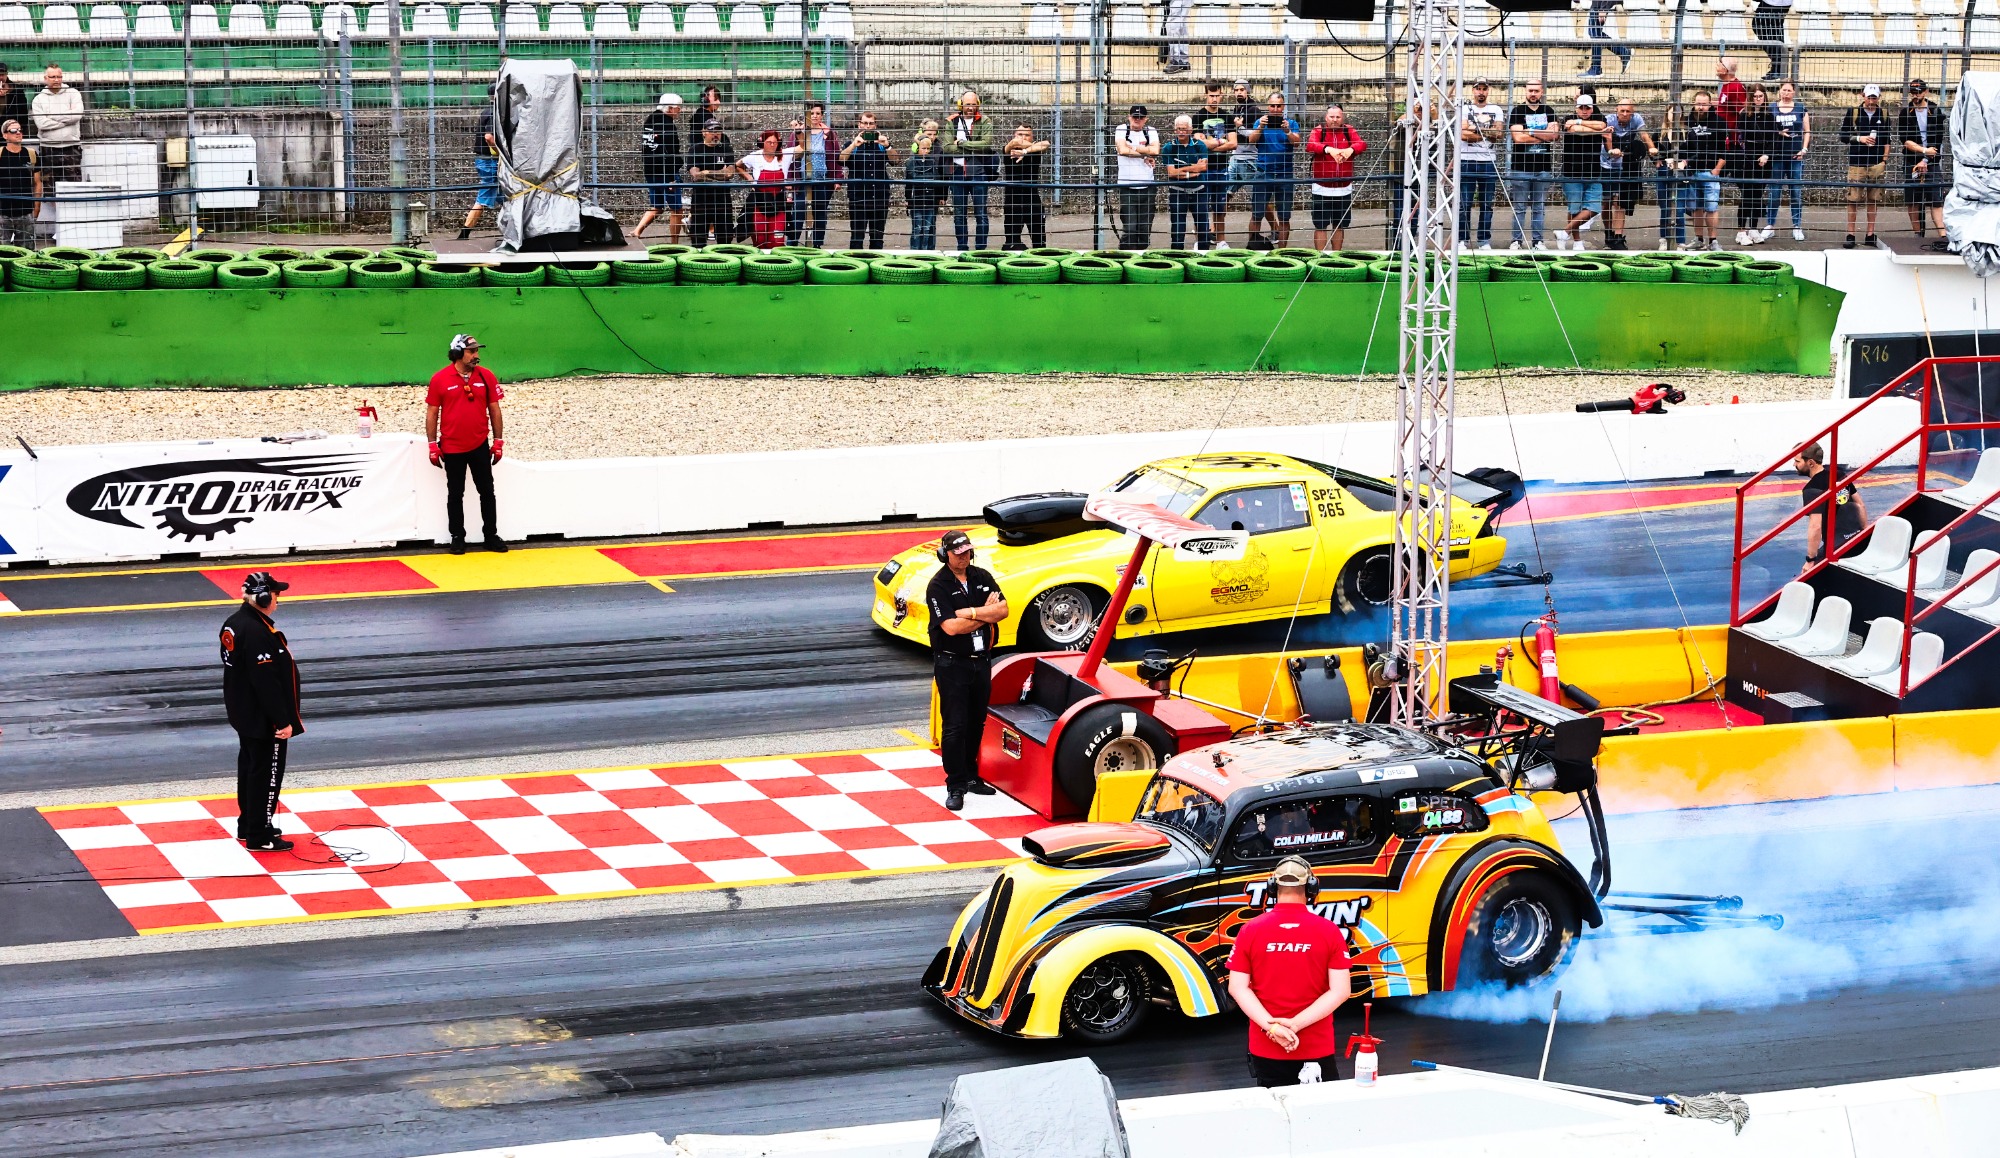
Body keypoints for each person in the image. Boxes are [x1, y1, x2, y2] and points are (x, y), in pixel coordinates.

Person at [1226, 856, 1352, 1088]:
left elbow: (1237, 988)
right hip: (1315, 1047)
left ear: (1272, 888)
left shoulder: (1250, 930)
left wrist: (1273, 1028)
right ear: (1311, 888)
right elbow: (1341, 991)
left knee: (1274, 1108)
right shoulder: (1329, 931)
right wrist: (1295, 1025)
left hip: (1267, 1046)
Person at [221, 571, 303, 853]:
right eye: (276, 594)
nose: (278, 599)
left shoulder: (235, 622)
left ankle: (249, 824)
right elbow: (266, 683)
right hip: (263, 719)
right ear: (264, 598)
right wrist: (282, 720)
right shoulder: (256, 632)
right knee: (266, 775)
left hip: (244, 713)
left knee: (250, 769)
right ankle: (260, 835)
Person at [927, 529, 1005, 812]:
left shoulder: (981, 576)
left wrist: (969, 613)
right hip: (952, 664)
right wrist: (984, 613)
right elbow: (950, 627)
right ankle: (955, 785)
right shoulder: (938, 585)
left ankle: (971, 776)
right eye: (958, 553)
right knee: (955, 726)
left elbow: (1003, 610)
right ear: (945, 555)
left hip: (981, 661)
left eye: (967, 552)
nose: (964, 557)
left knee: (976, 723)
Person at [426, 334, 507, 555]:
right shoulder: (440, 379)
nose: (476, 355)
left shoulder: (486, 376)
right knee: (455, 493)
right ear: (458, 353)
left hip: (479, 444)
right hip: (451, 447)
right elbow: (432, 412)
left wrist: (498, 441)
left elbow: (495, 409)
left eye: (476, 351)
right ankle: (457, 536)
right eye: (471, 351)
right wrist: (432, 445)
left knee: (487, 491)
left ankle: (490, 535)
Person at [1796, 441, 1867, 565]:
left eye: (1797, 461)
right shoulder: (1838, 474)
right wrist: (1864, 533)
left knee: (1809, 572)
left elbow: (1815, 526)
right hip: (1856, 538)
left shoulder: (1811, 489)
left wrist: (1810, 560)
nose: (1794, 464)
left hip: (1836, 546)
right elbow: (1860, 504)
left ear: (1810, 463)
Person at [1508, 80, 1559, 250]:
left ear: (1541, 92)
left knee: (1539, 207)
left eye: (1536, 91)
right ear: (1525, 91)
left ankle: (1538, 241)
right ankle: (1516, 241)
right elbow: (1518, 138)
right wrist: (1543, 135)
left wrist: (1529, 131)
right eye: (1530, 90)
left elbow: (1554, 135)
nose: (1533, 94)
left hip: (1543, 168)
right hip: (1520, 168)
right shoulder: (1517, 111)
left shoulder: (1549, 111)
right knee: (1519, 208)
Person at [1245, 93, 1300, 248]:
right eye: (1272, 105)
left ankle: (1281, 252)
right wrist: (1261, 127)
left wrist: (1287, 131)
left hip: (1285, 174)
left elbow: (1297, 142)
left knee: (1284, 217)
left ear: (1283, 107)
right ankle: (1253, 249)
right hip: (1264, 172)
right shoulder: (1260, 122)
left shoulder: (1291, 123)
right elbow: (1251, 141)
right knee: (1257, 214)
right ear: (1268, 106)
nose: (1275, 109)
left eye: (1278, 106)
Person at [1305, 105, 1363, 252]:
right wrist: (1328, 149)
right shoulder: (1319, 131)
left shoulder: (1349, 130)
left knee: (1339, 224)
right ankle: (1320, 256)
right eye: (1332, 117)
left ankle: (1336, 255)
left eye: (1338, 117)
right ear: (1326, 117)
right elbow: (1310, 145)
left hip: (1344, 187)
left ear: (1342, 118)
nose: (1335, 120)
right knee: (1320, 225)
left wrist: (1350, 149)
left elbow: (1361, 144)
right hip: (1321, 187)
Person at [944, 90, 995, 252]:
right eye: (967, 104)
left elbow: (986, 144)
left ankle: (980, 249)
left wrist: (961, 143)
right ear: (961, 105)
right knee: (959, 213)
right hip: (957, 172)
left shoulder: (985, 121)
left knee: (981, 213)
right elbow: (947, 148)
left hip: (978, 172)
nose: (971, 108)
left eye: (973, 104)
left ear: (978, 104)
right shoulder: (952, 121)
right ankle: (962, 247)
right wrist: (973, 147)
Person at [1555, 92, 1607, 251]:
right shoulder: (1568, 118)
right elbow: (1575, 130)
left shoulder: (1600, 118)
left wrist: (1580, 123)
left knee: (1595, 208)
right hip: (1572, 171)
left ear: (1592, 108)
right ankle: (1577, 241)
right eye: (1581, 108)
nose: (1584, 111)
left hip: (1593, 171)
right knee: (1574, 208)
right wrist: (1596, 131)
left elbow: (1601, 126)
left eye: (1587, 108)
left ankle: (1565, 232)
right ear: (1576, 108)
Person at [1601, 98, 1655, 251]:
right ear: (1616, 110)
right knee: (1606, 202)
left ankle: (1618, 237)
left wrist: (1651, 148)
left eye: (1628, 111)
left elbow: (1644, 135)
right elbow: (1607, 138)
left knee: (1620, 201)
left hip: (1625, 166)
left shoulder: (1636, 119)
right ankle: (1609, 234)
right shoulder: (1608, 120)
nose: (1625, 114)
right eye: (1622, 111)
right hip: (1607, 164)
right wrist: (1611, 151)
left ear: (1633, 112)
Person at [1840, 84, 1890, 249]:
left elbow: (1887, 139)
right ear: (1863, 96)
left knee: (1873, 199)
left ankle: (1870, 234)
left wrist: (1884, 161)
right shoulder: (1853, 112)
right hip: (1857, 163)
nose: (1871, 101)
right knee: (1853, 199)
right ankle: (1851, 234)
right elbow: (1843, 136)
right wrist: (1859, 138)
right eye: (1869, 97)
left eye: (1874, 98)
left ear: (1878, 98)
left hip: (1876, 163)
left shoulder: (1883, 114)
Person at [787, 102, 842, 248]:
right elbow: (789, 156)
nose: (815, 116)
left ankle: (817, 245)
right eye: (811, 113)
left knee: (820, 213)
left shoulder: (829, 134)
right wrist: (790, 179)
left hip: (821, 180)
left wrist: (837, 178)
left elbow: (835, 156)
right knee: (798, 213)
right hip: (802, 181)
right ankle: (792, 244)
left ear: (822, 115)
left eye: (818, 113)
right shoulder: (797, 133)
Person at [1459, 78, 1505, 251]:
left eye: (1484, 89)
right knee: (1465, 202)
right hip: (1467, 160)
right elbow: (1463, 135)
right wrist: (1487, 132)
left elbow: (1498, 134)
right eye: (1478, 88)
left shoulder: (1496, 109)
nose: (1481, 92)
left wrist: (1474, 129)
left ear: (1488, 90)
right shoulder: (1464, 109)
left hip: (1488, 161)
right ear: (1473, 90)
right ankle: (1462, 239)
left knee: (1487, 203)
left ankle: (1484, 240)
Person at [1900, 78, 1946, 243]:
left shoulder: (1935, 111)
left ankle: (1943, 235)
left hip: (1931, 162)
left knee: (1935, 200)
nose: (1915, 95)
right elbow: (1905, 140)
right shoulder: (1906, 113)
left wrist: (1925, 159)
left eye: (1918, 92)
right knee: (1913, 201)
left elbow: (1937, 141)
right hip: (1912, 161)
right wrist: (1924, 151)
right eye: (1913, 92)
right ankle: (1918, 235)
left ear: (1925, 92)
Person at [634, 92, 683, 241]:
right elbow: (671, 152)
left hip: (650, 170)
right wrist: (672, 177)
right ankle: (675, 243)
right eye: (678, 107)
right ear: (670, 108)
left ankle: (637, 230)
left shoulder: (650, 120)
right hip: (666, 173)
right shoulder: (668, 125)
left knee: (657, 206)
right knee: (676, 208)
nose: (680, 110)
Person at [841, 111, 894, 249]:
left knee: (877, 238)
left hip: (880, 196)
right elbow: (841, 160)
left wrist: (888, 146)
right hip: (858, 197)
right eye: (865, 123)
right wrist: (854, 145)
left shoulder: (881, 145)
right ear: (859, 125)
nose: (868, 126)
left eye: (871, 123)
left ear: (875, 125)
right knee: (856, 237)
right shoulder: (851, 144)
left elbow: (895, 161)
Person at [1733, 84, 1777, 246]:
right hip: (1747, 160)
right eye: (1755, 96)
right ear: (1750, 98)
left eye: (1760, 96)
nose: (1758, 99)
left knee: (1758, 196)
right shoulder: (1744, 115)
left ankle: (1753, 228)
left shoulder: (1769, 115)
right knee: (1747, 195)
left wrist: (1766, 154)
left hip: (1764, 161)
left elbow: (1774, 138)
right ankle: (1741, 231)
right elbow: (1741, 138)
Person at [738, 129, 797, 249]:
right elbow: (738, 165)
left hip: (779, 206)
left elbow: (803, 147)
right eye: (769, 142)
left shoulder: (785, 155)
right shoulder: (755, 156)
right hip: (759, 205)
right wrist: (749, 178)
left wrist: (800, 132)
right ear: (762, 143)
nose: (772, 145)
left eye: (775, 142)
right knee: (760, 241)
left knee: (777, 241)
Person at [1196, 82, 1238, 250]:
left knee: (1220, 207)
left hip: (1221, 168)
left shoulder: (1227, 117)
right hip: (1204, 168)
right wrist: (1222, 141)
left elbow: (1233, 143)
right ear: (1206, 95)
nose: (1214, 99)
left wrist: (1212, 144)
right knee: (1201, 206)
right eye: (1211, 96)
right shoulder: (1198, 117)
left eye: (1217, 96)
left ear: (1222, 96)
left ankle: (1221, 240)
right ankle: (1202, 240)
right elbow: (1199, 144)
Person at [1221, 79, 1263, 246]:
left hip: (1250, 160)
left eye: (1242, 89)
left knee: (1260, 198)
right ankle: (1215, 230)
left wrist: (1239, 128)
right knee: (1224, 194)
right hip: (1236, 158)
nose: (1239, 92)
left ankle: (1275, 228)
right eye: (1236, 90)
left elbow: (1255, 136)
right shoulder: (1237, 109)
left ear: (1247, 91)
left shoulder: (1254, 110)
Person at [1767, 80, 1810, 242]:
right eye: (1783, 90)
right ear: (1779, 91)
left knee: (1796, 193)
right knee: (1774, 193)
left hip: (1795, 157)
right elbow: (1766, 130)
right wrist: (1777, 133)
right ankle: (1770, 225)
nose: (1786, 93)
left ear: (1794, 92)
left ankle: (1797, 226)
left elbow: (1807, 131)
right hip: (1777, 156)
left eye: (1789, 90)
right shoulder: (1771, 108)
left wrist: (1804, 149)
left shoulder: (1801, 109)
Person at [1113, 104, 1160, 249]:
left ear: (1145, 119)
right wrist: (1145, 154)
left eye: (1140, 117)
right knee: (1130, 228)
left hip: (1147, 187)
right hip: (1127, 187)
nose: (1137, 120)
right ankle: (1125, 255)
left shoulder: (1150, 131)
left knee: (1145, 229)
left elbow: (1155, 151)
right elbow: (1122, 150)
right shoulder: (1122, 129)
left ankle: (1141, 254)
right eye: (1134, 117)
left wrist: (1132, 147)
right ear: (1129, 117)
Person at [1160, 114, 1210, 250]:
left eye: (1184, 129)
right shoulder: (1169, 147)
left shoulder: (1200, 146)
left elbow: (1203, 167)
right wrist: (1192, 170)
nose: (1181, 132)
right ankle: (1177, 254)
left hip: (1199, 191)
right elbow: (1171, 173)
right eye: (1178, 129)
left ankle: (1204, 254)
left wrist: (1181, 170)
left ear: (1190, 130)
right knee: (1177, 228)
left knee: (1203, 227)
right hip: (1178, 191)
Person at [1685, 89, 1727, 250]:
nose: (1701, 107)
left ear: (1710, 105)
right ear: (1693, 104)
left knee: (1711, 208)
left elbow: (1725, 149)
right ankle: (1698, 239)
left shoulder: (1719, 122)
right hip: (1693, 171)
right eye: (1698, 104)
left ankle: (1713, 241)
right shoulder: (1687, 121)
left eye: (1704, 104)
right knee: (1696, 208)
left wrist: (1717, 169)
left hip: (1710, 172)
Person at [685, 118, 736, 246]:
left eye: (718, 131)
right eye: (712, 131)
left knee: (725, 237)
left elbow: (729, 173)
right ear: (704, 132)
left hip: (722, 198)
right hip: (701, 198)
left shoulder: (726, 149)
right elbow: (696, 175)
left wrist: (706, 172)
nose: (716, 134)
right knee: (698, 237)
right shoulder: (695, 149)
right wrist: (720, 174)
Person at [999, 121, 1050, 250]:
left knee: (1039, 241)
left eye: (1027, 135)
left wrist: (1025, 151)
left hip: (1032, 199)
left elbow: (1046, 144)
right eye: (1020, 134)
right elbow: (1014, 143)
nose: (1023, 137)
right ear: (1014, 134)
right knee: (1012, 241)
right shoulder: (1009, 149)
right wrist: (1031, 146)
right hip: (1013, 200)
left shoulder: (1034, 151)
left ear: (1032, 137)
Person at [30, 64, 82, 188]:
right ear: (45, 78)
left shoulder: (73, 93)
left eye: (59, 77)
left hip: (71, 146)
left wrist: (51, 116)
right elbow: (41, 123)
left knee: (75, 186)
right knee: (49, 187)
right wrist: (67, 120)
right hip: (48, 148)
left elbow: (77, 115)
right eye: (52, 77)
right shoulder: (38, 99)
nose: (56, 80)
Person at [906, 120, 946, 250]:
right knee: (917, 227)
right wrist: (908, 199)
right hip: (918, 196)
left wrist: (942, 196)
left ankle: (929, 250)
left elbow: (943, 175)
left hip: (932, 195)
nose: (932, 137)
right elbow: (908, 181)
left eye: (934, 134)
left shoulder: (939, 150)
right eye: (929, 134)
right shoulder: (913, 157)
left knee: (930, 226)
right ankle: (915, 250)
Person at [1654, 105, 1689, 250]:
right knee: (1665, 208)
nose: (1674, 115)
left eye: (1678, 112)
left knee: (1679, 209)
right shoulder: (1659, 133)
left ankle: (1680, 241)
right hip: (1664, 172)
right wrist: (1657, 160)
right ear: (1666, 114)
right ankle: (1664, 239)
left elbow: (1694, 151)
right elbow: (1652, 150)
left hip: (1680, 173)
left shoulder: (1687, 133)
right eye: (1672, 112)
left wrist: (1684, 162)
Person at [0, 119, 38, 247]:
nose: (18, 133)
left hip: (25, 211)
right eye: (13, 130)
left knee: (26, 252)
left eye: (20, 130)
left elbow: (37, 182)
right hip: (2, 212)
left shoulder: (31, 154)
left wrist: (36, 208)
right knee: (3, 252)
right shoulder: (0, 154)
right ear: (5, 135)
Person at [1581, 0, 1630, 79]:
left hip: (1599, 6)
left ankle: (1596, 69)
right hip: (1597, 6)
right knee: (1595, 34)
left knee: (1595, 35)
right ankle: (1624, 52)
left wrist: (1603, 9)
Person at [1753, 0, 1792, 82]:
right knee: (1773, 31)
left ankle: (1778, 67)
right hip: (1777, 3)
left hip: (1774, 4)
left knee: (1770, 32)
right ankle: (1778, 66)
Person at [0, 65, 30, 133]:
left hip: (12, 132)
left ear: (7, 74)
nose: (1, 77)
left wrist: (21, 131)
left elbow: (23, 114)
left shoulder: (17, 91)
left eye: (3, 74)